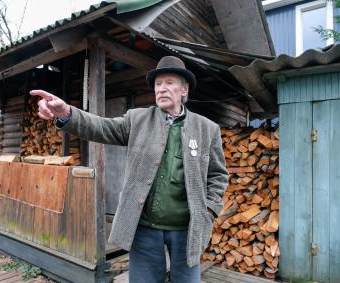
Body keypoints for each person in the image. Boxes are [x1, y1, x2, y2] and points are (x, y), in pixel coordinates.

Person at [30, 56, 229, 283]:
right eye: (158, 84)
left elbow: (218, 174)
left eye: (169, 82)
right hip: (144, 228)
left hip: (188, 229)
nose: (162, 88)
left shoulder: (207, 129)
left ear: (184, 89)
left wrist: (209, 209)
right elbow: (100, 128)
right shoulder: (137, 119)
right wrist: (66, 113)